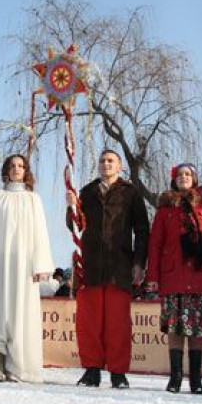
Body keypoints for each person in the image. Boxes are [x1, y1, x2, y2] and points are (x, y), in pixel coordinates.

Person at [0, 154, 54, 382]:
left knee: (20, 312)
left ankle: (17, 367)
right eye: (12, 165)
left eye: (21, 166)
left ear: (26, 171)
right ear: (6, 170)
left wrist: (41, 264)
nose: (16, 169)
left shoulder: (33, 199)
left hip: (24, 266)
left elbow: (40, 233)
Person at [66, 150, 149, 389]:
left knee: (118, 323)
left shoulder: (130, 193)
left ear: (120, 166)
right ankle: (91, 370)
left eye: (111, 160)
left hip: (119, 265)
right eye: (102, 160)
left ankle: (118, 372)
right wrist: (71, 207)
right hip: (90, 265)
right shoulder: (87, 192)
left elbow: (142, 230)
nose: (106, 164)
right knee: (90, 322)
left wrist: (139, 262)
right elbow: (76, 225)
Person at [146, 163, 202, 395]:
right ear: (174, 179)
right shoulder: (164, 210)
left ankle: (195, 379)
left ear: (195, 179)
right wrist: (153, 276)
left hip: (201, 276)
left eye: (187, 174)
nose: (183, 178)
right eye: (180, 175)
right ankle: (175, 377)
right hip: (173, 276)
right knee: (175, 328)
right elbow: (155, 244)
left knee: (197, 329)